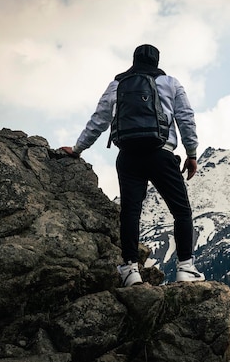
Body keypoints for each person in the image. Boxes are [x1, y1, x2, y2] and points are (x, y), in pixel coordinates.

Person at [61, 44, 205, 287]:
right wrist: (191, 154)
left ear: (134, 59)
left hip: (128, 155)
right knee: (181, 211)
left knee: (130, 212)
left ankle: (130, 270)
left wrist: (77, 149)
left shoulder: (117, 85)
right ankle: (185, 268)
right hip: (161, 154)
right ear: (157, 62)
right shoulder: (170, 83)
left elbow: (99, 120)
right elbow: (186, 118)